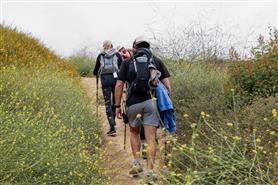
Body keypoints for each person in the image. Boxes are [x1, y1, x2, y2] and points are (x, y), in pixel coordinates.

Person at [114, 36, 171, 182]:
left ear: (135, 47)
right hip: (151, 101)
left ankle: (137, 163)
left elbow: (119, 85)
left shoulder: (127, 62)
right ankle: (150, 172)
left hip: (133, 103)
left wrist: (117, 106)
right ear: (148, 47)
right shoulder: (156, 61)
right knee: (151, 138)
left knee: (134, 133)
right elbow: (168, 87)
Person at [93, 40, 122, 136]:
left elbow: (95, 71)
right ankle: (113, 123)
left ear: (103, 46)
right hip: (116, 80)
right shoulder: (117, 55)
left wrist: (97, 74)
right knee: (115, 102)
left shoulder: (100, 55)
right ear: (112, 46)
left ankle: (112, 127)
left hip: (105, 80)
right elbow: (121, 67)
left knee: (108, 103)